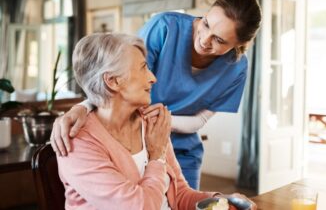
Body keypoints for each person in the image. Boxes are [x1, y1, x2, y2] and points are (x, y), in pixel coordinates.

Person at [51, 0, 262, 190]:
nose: (204, 39)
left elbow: (200, 121)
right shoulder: (165, 27)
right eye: (206, 23)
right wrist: (83, 107)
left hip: (181, 150)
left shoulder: (236, 69)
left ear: (240, 44)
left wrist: (160, 126)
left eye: (219, 40)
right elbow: (117, 77)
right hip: (131, 143)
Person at [57, 33, 257, 209]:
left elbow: (179, 195)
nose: (153, 78)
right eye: (143, 68)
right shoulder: (78, 143)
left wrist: (221, 201)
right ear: (113, 81)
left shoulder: (149, 124)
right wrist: (156, 157)